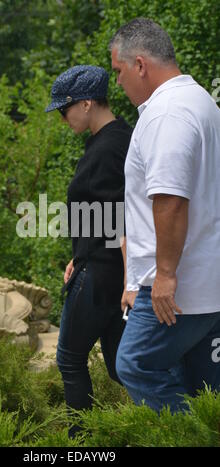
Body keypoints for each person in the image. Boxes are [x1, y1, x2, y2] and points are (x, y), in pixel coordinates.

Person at [109, 17, 220, 413]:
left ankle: (181, 439)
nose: (118, 84)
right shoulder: (201, 101)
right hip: (207, 282)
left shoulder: (165, 113)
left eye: (119, 72)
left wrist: (165, 275)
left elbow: (170, 198)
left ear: (140, 65)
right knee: (200, 385)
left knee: (136, 364)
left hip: (177, 288)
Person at [45, 65, 132, 437]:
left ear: (85, 103)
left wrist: (132, 284)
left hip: (103, 274)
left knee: (69, 359)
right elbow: (102, 213)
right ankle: (157, 430)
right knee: (119, 366)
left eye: (64, 110)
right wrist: (77, 253)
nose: (62, 117)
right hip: (98, 265)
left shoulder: (111, 146)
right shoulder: (111, 139)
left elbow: (127, 220)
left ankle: (81, 443)